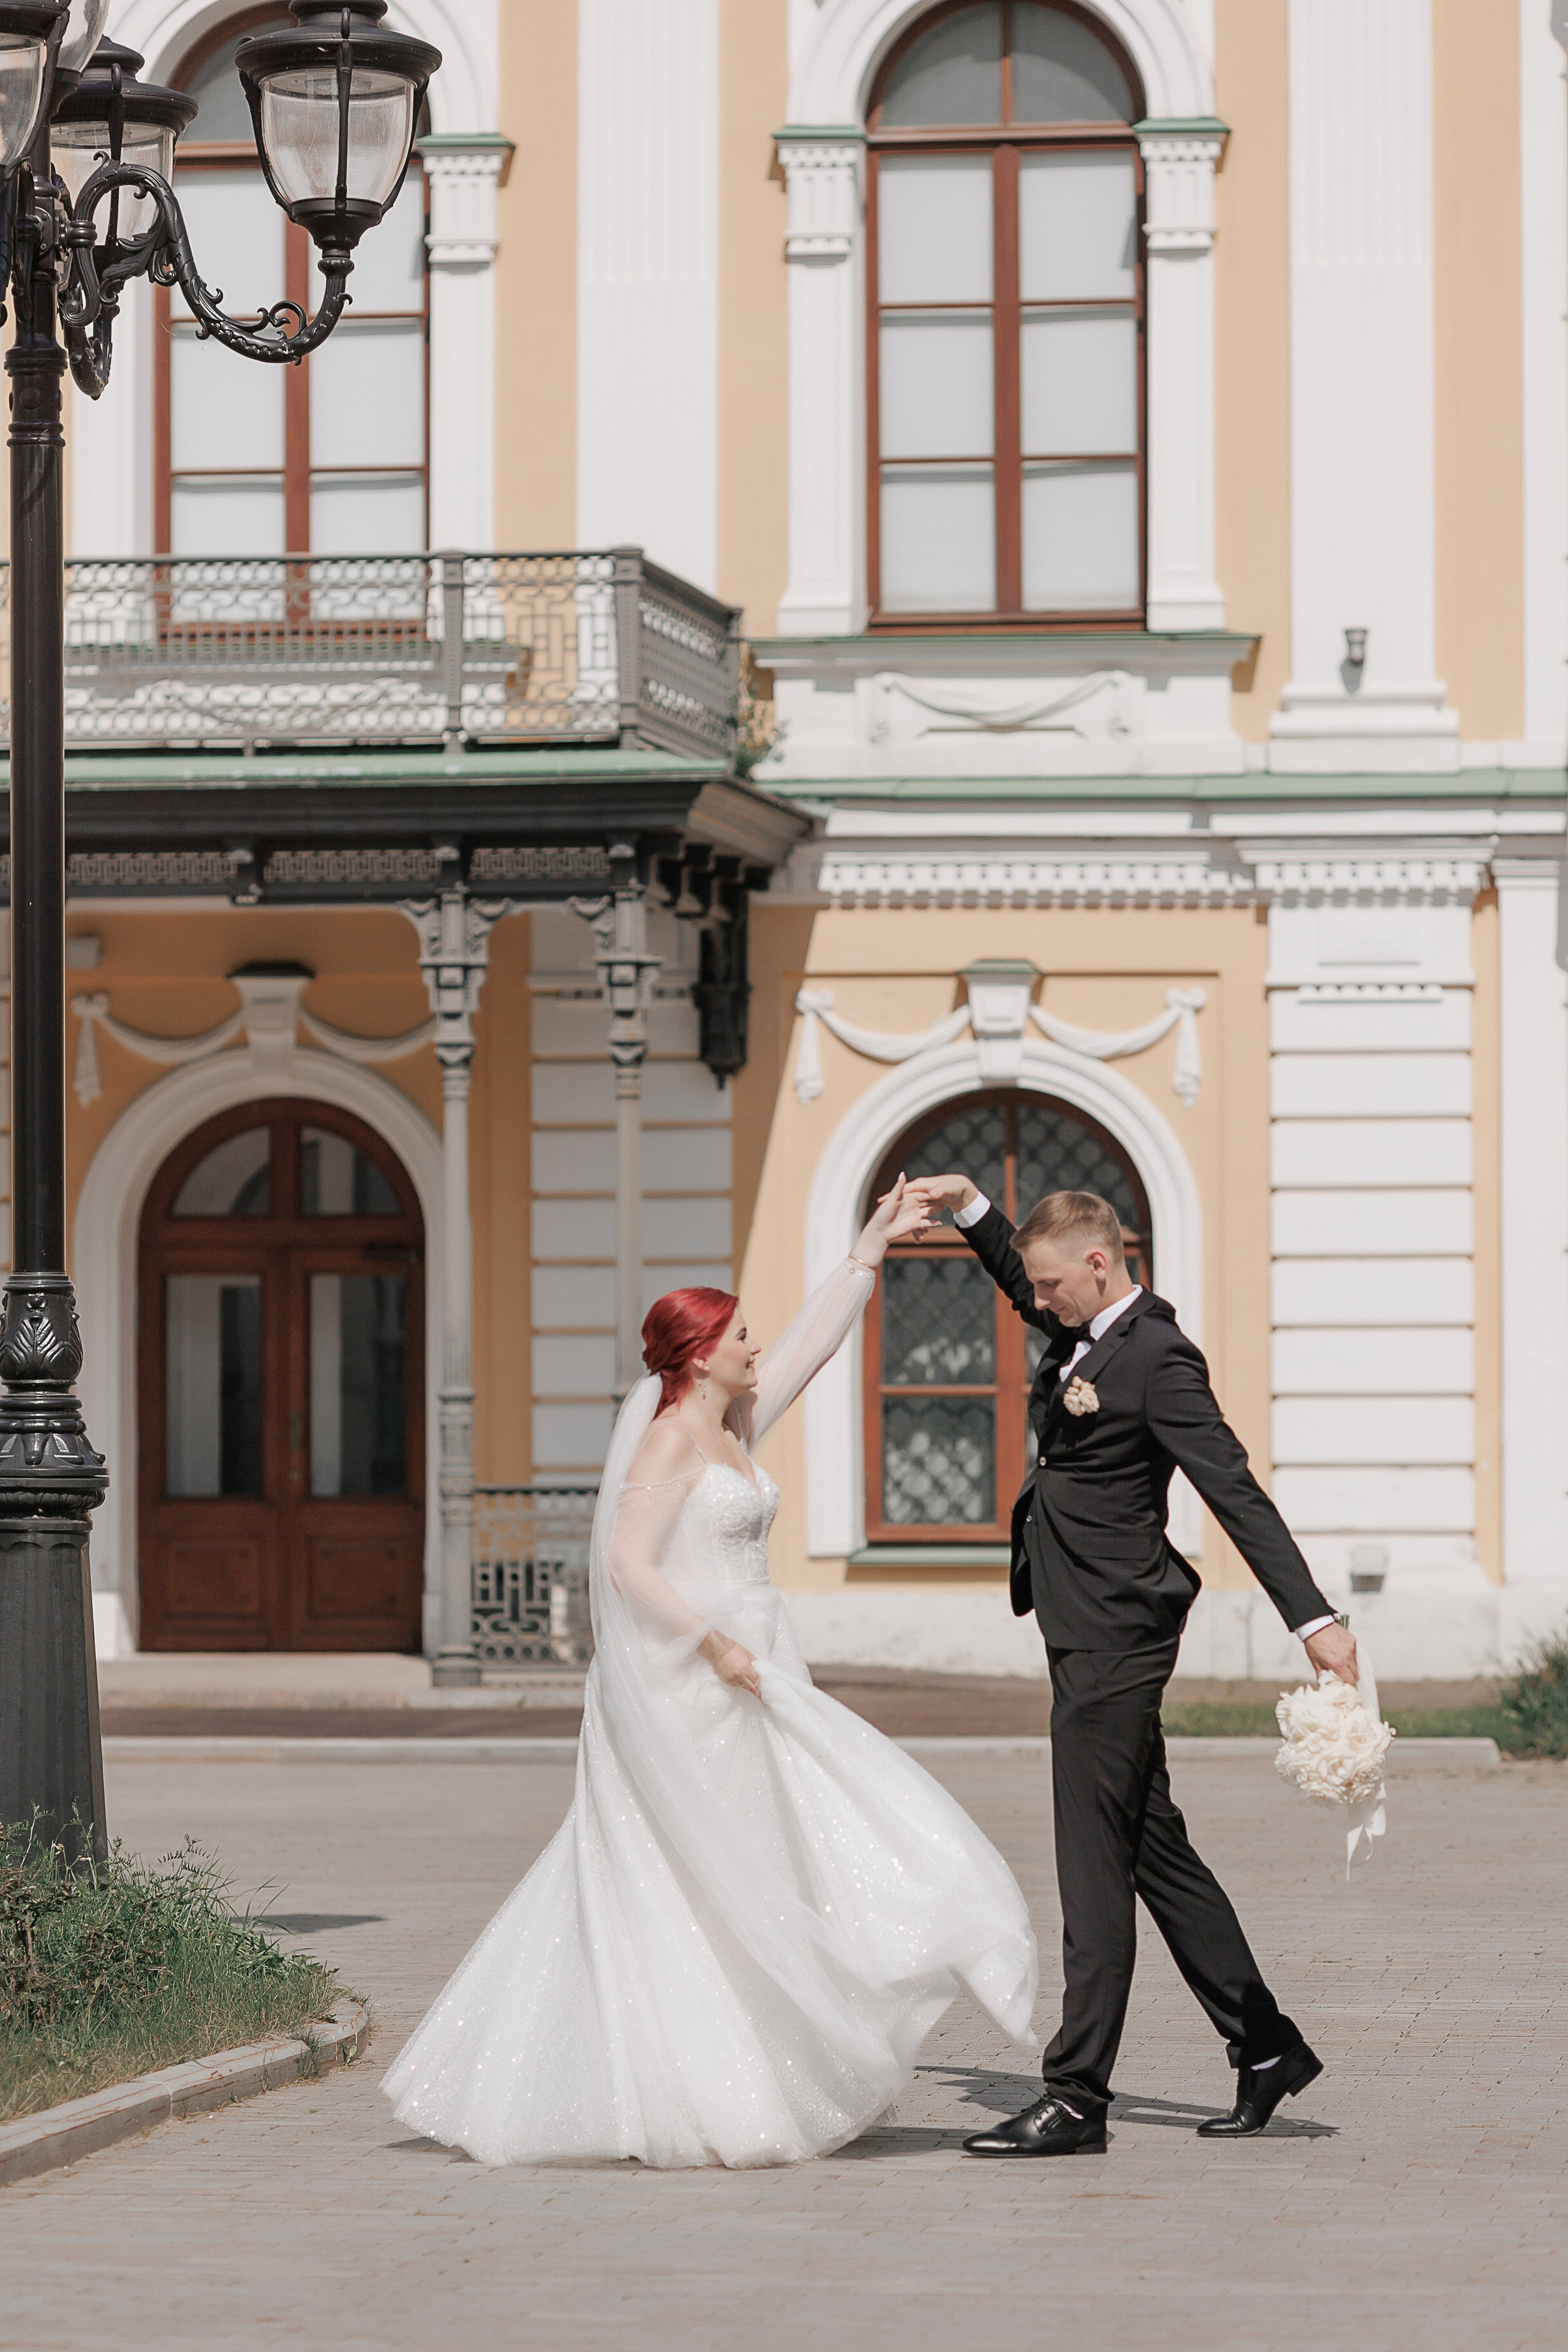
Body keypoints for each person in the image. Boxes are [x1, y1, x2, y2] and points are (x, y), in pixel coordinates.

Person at [383, 1177, 1037, 2171]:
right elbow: (626, 1564)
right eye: (738, 1336)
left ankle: (768, 2060)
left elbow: (816, 1347)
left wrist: (871, 1248)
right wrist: (713, 1643)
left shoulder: (734, 1424)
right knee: (687, 1876)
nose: (756, 1345)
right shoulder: (669, 1438)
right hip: (694, 1685)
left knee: (767, 1864)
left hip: (756, 1669)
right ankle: (680, 2079)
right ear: (697, 1353)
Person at [904, 1174, 1359, 2157]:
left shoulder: (1156, 1355)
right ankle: (1266, 2045)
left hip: (1118, 1631)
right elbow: (1030, 1285)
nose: (1041, 1303)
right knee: (1153, 1848)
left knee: (1091, 1862)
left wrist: (1312, 1619)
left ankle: (1076, 2096)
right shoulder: (1086, 1326)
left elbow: (1232, 1488)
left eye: (1055, 1285)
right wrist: (977, 1208)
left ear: (1101, 1265)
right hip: (1082, 1621)